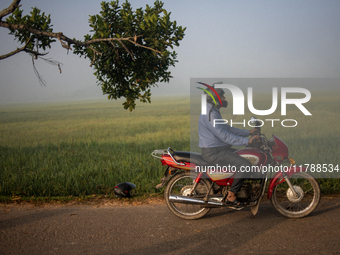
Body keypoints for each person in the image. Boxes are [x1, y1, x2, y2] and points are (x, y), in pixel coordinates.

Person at [198, 87, 260, 207]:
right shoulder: (210, 114)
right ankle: (231, 195)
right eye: (222, 96)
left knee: (245, 155)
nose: (225, 98)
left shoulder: (213, 111)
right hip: (214, 152)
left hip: (219, 149)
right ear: (215, 98)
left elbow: (226, 128)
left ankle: (237, 189)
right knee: (244, 165)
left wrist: (248, 132)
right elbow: (224, 136)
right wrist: (248, 141)